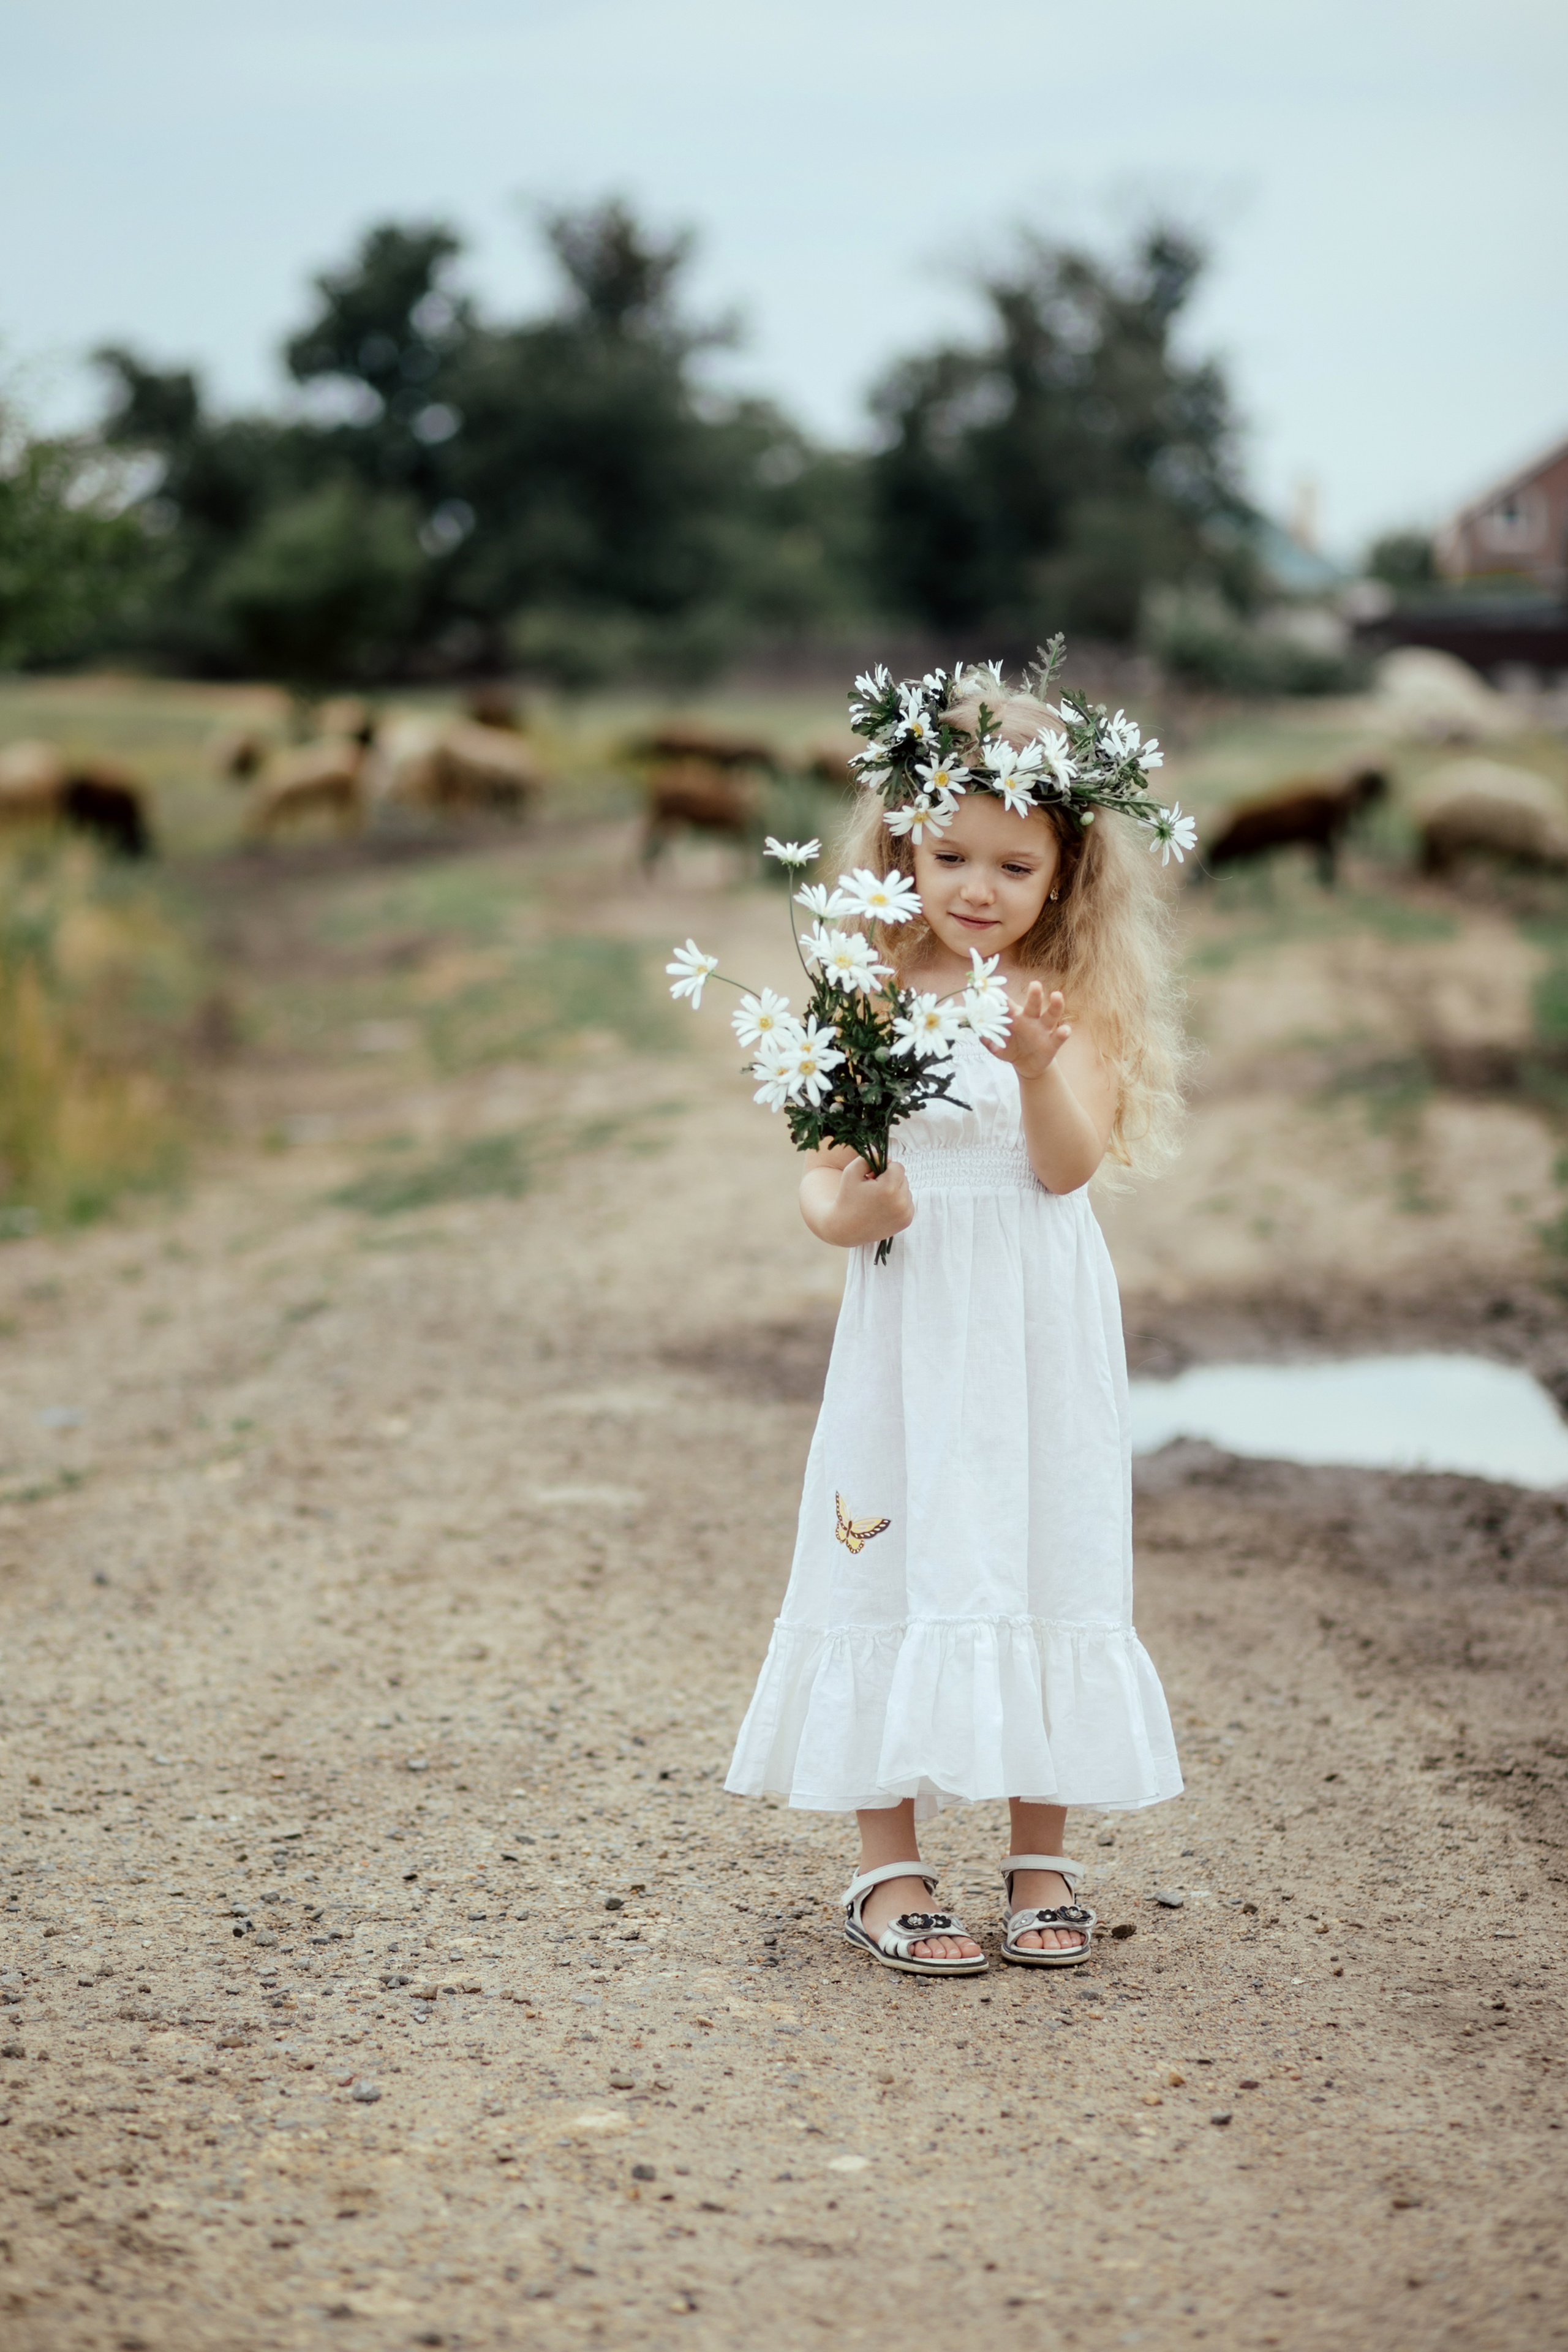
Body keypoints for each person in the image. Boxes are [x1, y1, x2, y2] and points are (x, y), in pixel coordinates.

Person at [725, 668, 1189, 1975]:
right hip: (912, 1316)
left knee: (1043, 1542)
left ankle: (1037, 1857)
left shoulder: (1061, 1002)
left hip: (1038, 1318)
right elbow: (821, 1179)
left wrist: (1037, 1070)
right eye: (946, 856)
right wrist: (853, 1210)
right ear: (899, 851)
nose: (975, 888)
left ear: (1064, 877)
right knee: (893, 1537)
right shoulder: (867, 991)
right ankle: (887, 1866)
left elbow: (1062, 1168)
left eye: (1012, 865)